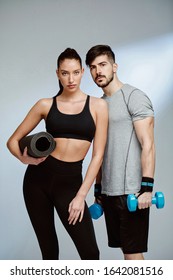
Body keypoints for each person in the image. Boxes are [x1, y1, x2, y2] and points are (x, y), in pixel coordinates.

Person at [7, 48, 108, 260]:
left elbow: (98, 155)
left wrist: (81, 196)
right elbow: (12, 141)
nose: (70, 79)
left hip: (70, 184)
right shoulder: (45, 104)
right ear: (57, 74)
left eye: (75, 72)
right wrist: (24, 159)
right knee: (49, 252)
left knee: (90, 253)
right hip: (37, 182)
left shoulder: (98, 106)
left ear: (82, 71)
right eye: (64, 73)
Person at [85, 45, 155, 260]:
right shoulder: (99, 104)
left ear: (114, 66)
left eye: (103, 65)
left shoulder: (133, 96)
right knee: (126, 254)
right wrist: (98, 191)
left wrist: (146, 188)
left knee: (133, 255)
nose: (98, 71)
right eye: (93, 67)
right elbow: (100, 150)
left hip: (132, 191)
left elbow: (148, 144)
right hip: (108, 192)